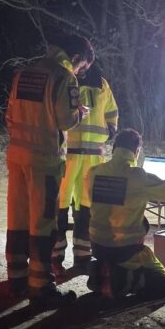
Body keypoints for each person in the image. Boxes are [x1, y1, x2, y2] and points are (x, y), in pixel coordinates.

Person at [5, 34, 93, 307]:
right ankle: (41, 286)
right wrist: (80, 112)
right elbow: (66, 120)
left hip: (17, 156)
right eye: (82, 67)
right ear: (76, 58)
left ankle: (17, 278)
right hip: (44, 160)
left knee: (17, 218)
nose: (79, 72)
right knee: (43, 222)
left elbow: (9, 114)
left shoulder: (24, 74)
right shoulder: (64, 78)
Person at [86, 128, 165, 301]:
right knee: (164, 283)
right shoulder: (138, 176)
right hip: (126, 250)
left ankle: (102, 271)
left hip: (97, 246)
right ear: (136, 152)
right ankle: (123, 279)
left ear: (114, 149)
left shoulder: (94, 172)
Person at [53, 63, 119, 272]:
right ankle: (55, 255)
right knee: (59, 206)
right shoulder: (64, 81)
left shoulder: (102, 85)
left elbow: (112, 111)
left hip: (92, 158)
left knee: (86, 208)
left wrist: (110, 130)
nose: (82, 67)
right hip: (68, 154)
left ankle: (82, 256)